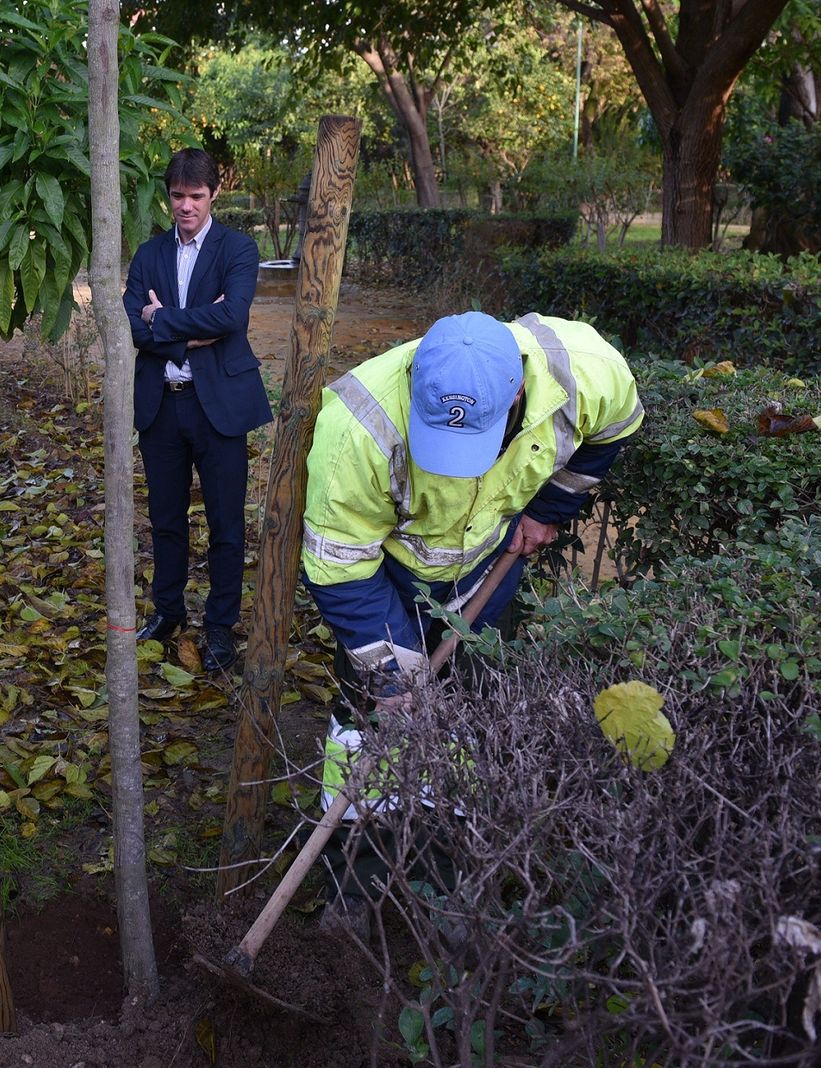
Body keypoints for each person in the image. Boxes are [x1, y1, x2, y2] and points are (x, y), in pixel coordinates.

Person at [301, 310, 643, 922]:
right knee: (369, 730)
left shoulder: (584, 373)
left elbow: (616, 425)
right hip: (387, 582)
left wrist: (549, 506)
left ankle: (447, 878)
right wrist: (392, 673)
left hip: (489, 570)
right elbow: (340, 565)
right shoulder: (359, 425)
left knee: (469, 720)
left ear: (517, 394)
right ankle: (358, 881)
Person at [123, 147, 273, 672]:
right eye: (177, 196)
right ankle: (168, 613)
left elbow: (232, 316)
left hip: (220, 409)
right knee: (165, 520)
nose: (185, 206)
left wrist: (164, 321)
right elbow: (134, 323)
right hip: (162, 406)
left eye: (196, 196)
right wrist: (191, 331)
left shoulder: (238, 249)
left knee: (226, 524)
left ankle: (218, 627)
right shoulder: (148, 254)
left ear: (214, 195)